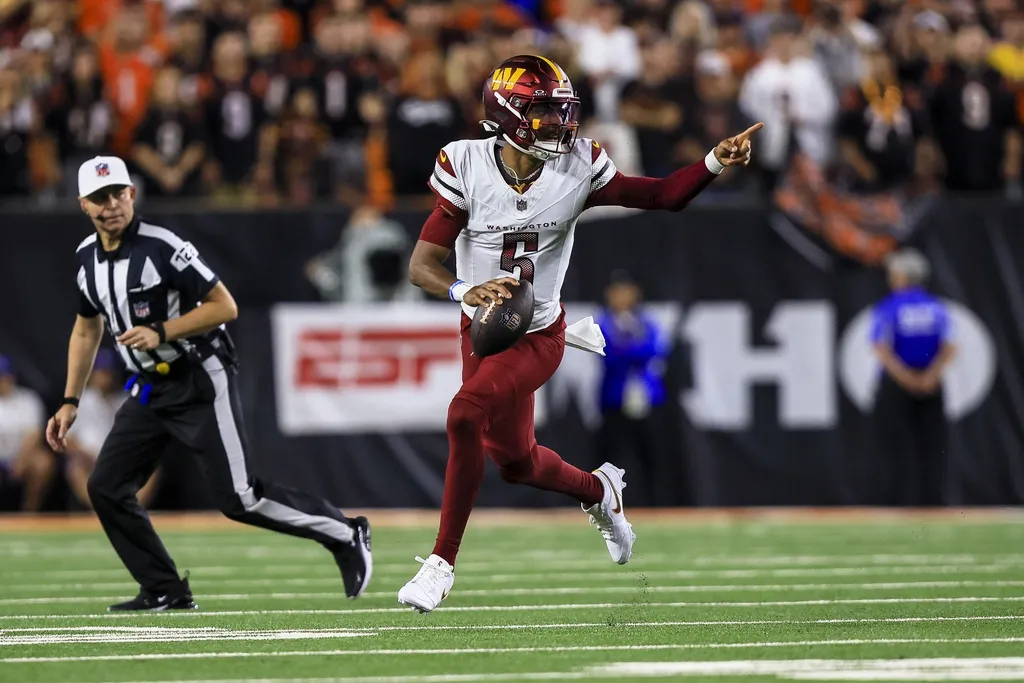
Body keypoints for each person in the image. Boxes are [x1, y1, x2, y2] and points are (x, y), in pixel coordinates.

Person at [400, 54, 760, 613]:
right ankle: (600, 491)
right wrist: (460, 290)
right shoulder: (465, 163)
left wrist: (714, 160)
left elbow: (661, 196)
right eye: (541, 113)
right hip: (485, 330)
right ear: (507, 113)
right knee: (515, 463)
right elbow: (422, 263)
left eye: (560, 112)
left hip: (540, 331)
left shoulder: (578, 165)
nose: (557, 125)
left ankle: (441, 564)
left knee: (464, 412)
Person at [46, 156, 372, 611]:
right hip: (148, 387)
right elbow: (86, 329)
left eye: (118, 193)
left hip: (199, 375)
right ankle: (164, 588)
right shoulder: (87, 259)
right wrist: (69, 400)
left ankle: (344, 533)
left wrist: (162, 331)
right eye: (100, 198)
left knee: (239, 499)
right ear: (83, 204)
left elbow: (224, 306)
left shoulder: (162, 246)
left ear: (132, 195)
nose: (111, 205)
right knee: (106, 485)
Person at [871, 248, 957, 506]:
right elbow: (950, 347)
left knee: (895, 446)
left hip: (897, 383)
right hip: (931, 382)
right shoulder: (936, 307)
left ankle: (895, 502)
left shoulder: (889, 307)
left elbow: (880, 347)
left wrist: (905, 377)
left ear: (901, 277)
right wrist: (930, 376)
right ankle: (934, 502)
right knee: (933, 446)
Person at [595, 272, 668, 505]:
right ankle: (605, 502)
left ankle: (655, 504)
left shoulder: (646, 322)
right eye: (617, 291)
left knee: (651, 455)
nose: (622, 297)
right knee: (610, 454)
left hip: (647, 399)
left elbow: (657, 349)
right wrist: (635, 350)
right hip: (614, 399)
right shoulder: (603, 323)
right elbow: (609, 356)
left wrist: (627, 349)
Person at [0, 354, 56, 511]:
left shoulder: (27, 399)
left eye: (3, 376)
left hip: (21, 456)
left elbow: (35, 435)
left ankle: (29, 513)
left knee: (43, 463)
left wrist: (21, 460)